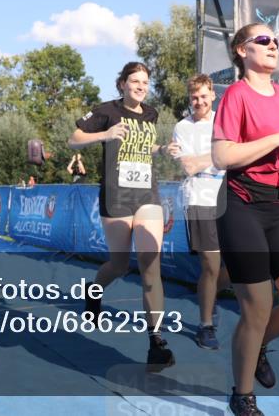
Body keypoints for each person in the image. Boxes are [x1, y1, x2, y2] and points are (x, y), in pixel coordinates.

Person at [211, 23, 279, 416]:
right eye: (263, 40)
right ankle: (243, 397)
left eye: (275, 40)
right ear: (242, 51)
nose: (273, 44)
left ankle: (254, 346)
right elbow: (222, 157)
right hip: (240, 205)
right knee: (256, 307)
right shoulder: (236, 96)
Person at [68, 61, 174, 371]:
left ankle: (156, 343)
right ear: (122, 84)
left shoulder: (152, 114)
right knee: (118, 264)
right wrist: (105, 133)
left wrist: (163, 149)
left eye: (145, 82)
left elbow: (143, 146)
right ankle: (94, 290)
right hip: (115, 197)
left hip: (146, 196)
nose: (141, 86)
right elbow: (73, 139)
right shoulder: (106, 111)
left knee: (149, 264)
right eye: (135, 81)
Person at [169, 73, 231, 351]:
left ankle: (209, 296)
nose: (199, 101)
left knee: (235, 265)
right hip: (198, 198)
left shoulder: (224, 120)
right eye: (194, 97)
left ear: (212, 95)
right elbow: (189, 167)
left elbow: (236, 154)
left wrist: (218, 157)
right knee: (210, 264)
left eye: (203, 96)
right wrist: (220, 156)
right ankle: (206, 326)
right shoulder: (182, 127)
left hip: (229, 196)